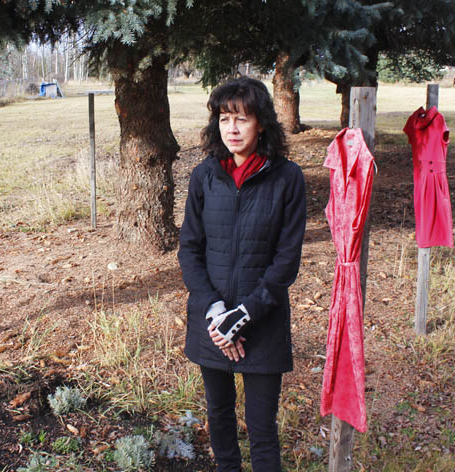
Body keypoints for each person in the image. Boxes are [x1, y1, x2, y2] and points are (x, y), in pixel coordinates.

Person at [178, 77, 306, 472]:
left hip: (262, 324)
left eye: (242, 119)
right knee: (218, 414)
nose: (232, 129)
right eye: (224, 118)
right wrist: (218, 314)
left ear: (262, 123)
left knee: (262, 427)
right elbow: (189, 250)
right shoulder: (204, 176)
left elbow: (286, 262)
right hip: (211, 323)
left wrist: (244, 315)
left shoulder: (287, 179)